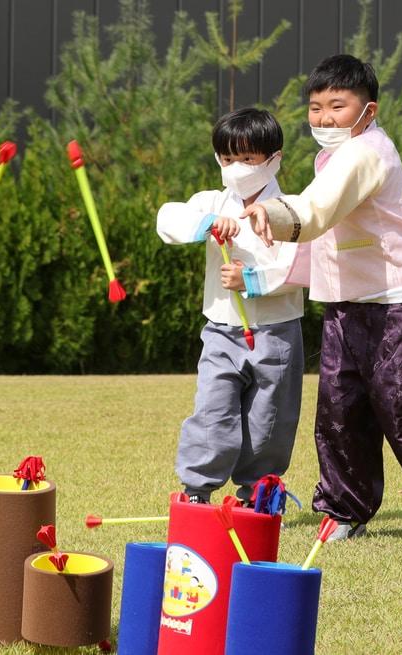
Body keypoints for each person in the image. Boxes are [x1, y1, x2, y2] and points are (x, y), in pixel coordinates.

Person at [230, 54, 402, 548]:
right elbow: (320, 235)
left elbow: (315, 212)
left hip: (398, 301)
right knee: (342, 408)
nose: (323, 118)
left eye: (337, 106)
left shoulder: (368, 153)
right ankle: (344, 508)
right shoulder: (333, 158)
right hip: (347, 302)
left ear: (369, 110)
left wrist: (269, 212)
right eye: (315, 107)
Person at [155, 108, 306, 505]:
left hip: (277, 333)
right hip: (221, 330)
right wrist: (206, 223)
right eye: (226, 159)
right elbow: (167, 218)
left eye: (247, 159)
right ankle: (197, 492)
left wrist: (252, 281)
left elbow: (303, 267)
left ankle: (257, 495)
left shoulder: (292, 209)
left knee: (269, 420)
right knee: (211, 411)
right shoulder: (211, 201)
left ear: (274, 158)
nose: (235, 168)